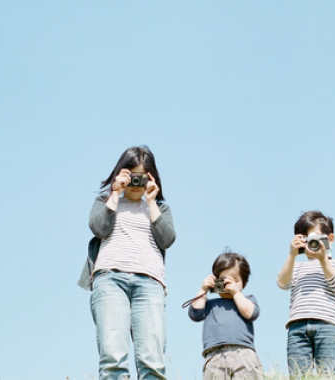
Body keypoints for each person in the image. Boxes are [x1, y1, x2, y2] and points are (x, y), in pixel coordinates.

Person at [78, 145, 176, 380]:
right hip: (109, 280)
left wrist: (151, 202)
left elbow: (167, 239)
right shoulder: (105, 202)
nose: (135, 183)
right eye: (131, 175)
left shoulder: (160, 208)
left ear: (151, 178)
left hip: (150, 283)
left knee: (153, 362)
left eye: (140, 177)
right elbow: (99, 228)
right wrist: (114, 193)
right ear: (120, 173)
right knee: (113, 360)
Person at [276, 210, 335, 377]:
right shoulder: (297, 266)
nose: (311, 243)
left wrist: (323, 259)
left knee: (329, 374)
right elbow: (283, 283)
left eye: (315, 239)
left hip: (327, 325)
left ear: (330, 239)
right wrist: (292, 254)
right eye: (306, 239)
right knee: (299, 375)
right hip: (297, 326)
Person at [187, 251, 264, 380]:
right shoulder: (210, 304)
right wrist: (203, 289)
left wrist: (236, 293)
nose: (229, 285)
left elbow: (251, 313)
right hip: (214, 355)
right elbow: (195, 313)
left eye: (234, 280)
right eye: (224, 280)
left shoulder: (247, 299)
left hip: (243, 353)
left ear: (244, 283)